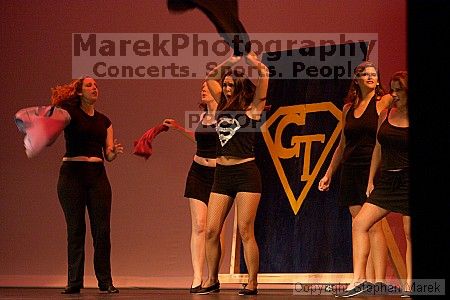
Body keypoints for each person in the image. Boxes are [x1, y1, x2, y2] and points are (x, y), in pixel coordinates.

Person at [196, 51, 268, 296]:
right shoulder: (221, 106)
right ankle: (211, 279)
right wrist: (232, 59)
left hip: (246, 172)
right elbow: (210, 77)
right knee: (211, 230)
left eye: (230, 85)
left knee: (246, 230)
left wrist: (255, 64)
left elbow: (264, 76)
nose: (226, 89)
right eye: (225, 85)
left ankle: (252, 282)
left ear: (239, 86)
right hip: (222, 175)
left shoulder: (252, 109)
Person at [318, 61, 393, 288]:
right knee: (359, 224)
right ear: (357, 79)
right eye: (365, 74)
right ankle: (363, 279)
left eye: (374, 74)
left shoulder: (383, 101)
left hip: (372, 168)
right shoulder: (348, 109)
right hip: (350, 169)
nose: (370, 77)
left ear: (378, 80)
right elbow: (342, 145)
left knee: (374, 225)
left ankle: (379, 280)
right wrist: (329, 172)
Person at [337, 71, 410, 297]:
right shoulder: (386, 114)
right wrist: (371, 180)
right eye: (393, 90)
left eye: (399, 90)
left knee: (410, 233)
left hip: (408, 180)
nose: (395, 94)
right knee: (360, 223)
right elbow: (378, 147)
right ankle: (359, 279)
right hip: (386, 181)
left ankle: (410, 284)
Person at [51, 76, 123, 294]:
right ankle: (74, 282)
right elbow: (51, 127)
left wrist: (113, 152)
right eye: (89, 85)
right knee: (76, 229)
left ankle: (105, 281)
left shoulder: (105, 121)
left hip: (97, 176)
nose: (95, 88)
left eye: (96, 85)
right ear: (80, 92)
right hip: (72, 176)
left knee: (102, 230)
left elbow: (108, 154)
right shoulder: (70, 114)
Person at [162, 81, 225, 293]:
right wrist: (179, 128)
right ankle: (197, 277)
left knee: (213, 229)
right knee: (199, 224)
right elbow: (199, 140)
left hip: (219, 175)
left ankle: (212, 277)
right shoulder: (202, 116)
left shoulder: (226, 116)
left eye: (208, 87)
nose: (204, 89)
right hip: (198, 172)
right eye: (202, 87)